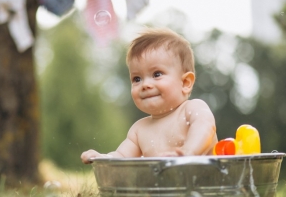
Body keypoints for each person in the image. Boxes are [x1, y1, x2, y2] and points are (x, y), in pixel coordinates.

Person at [81, 27, 217, 164]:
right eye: (137, 79)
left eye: (157, 74)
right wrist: (103, 158)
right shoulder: (139, 129)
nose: (145, 84)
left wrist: (188, 152)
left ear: (185, 83)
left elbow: (205, 127)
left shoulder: (192, 108)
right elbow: (121, 156)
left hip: (203, 180)